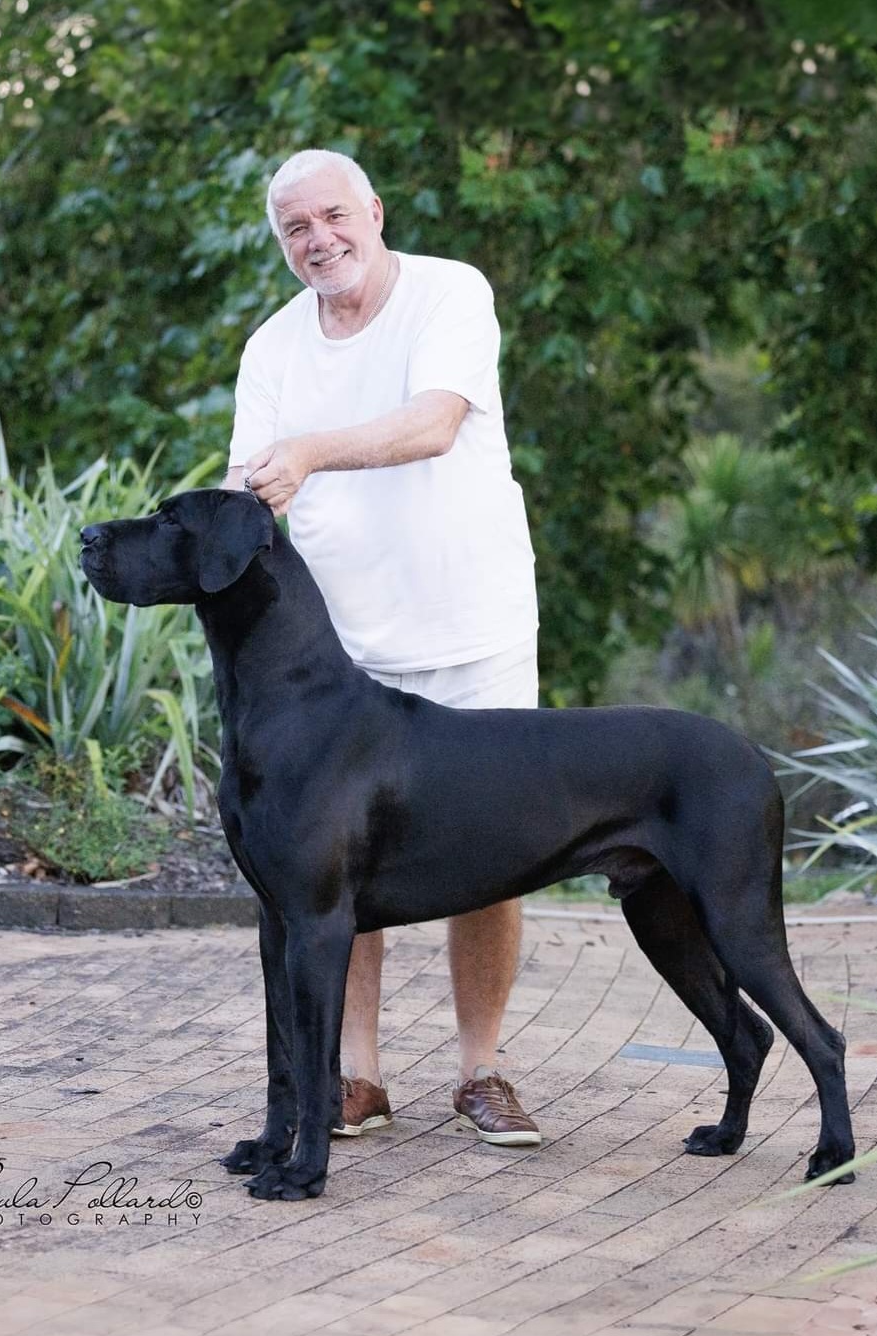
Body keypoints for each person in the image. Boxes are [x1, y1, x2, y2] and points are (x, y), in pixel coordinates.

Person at [223, 148, 541, 1145]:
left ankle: (481, 1069)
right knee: (332, 864)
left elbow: (432, 425)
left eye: (332, 216)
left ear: (373, 210)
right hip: (341, 656)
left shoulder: (450, 293)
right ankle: (355, 1075)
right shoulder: (272, 347)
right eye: (295, 229)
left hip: (472, 628)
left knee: (496, 853)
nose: (318, 240)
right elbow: (246, 494)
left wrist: (311, 451)